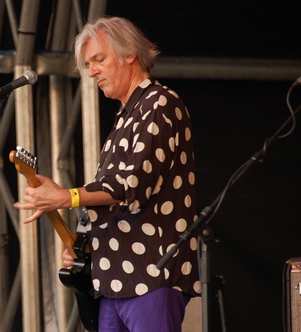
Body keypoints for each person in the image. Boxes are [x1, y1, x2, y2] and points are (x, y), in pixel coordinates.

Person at [14, 16, 201, 331]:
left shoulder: (159, 103)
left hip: (151, 276)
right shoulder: (127, 115)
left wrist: (66, 197)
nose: (92, 72)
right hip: (114, 280)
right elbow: (111, 197)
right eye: (88, 65)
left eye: (98, 60)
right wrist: (85, 245)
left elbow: (131, 186)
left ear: (129, 54)